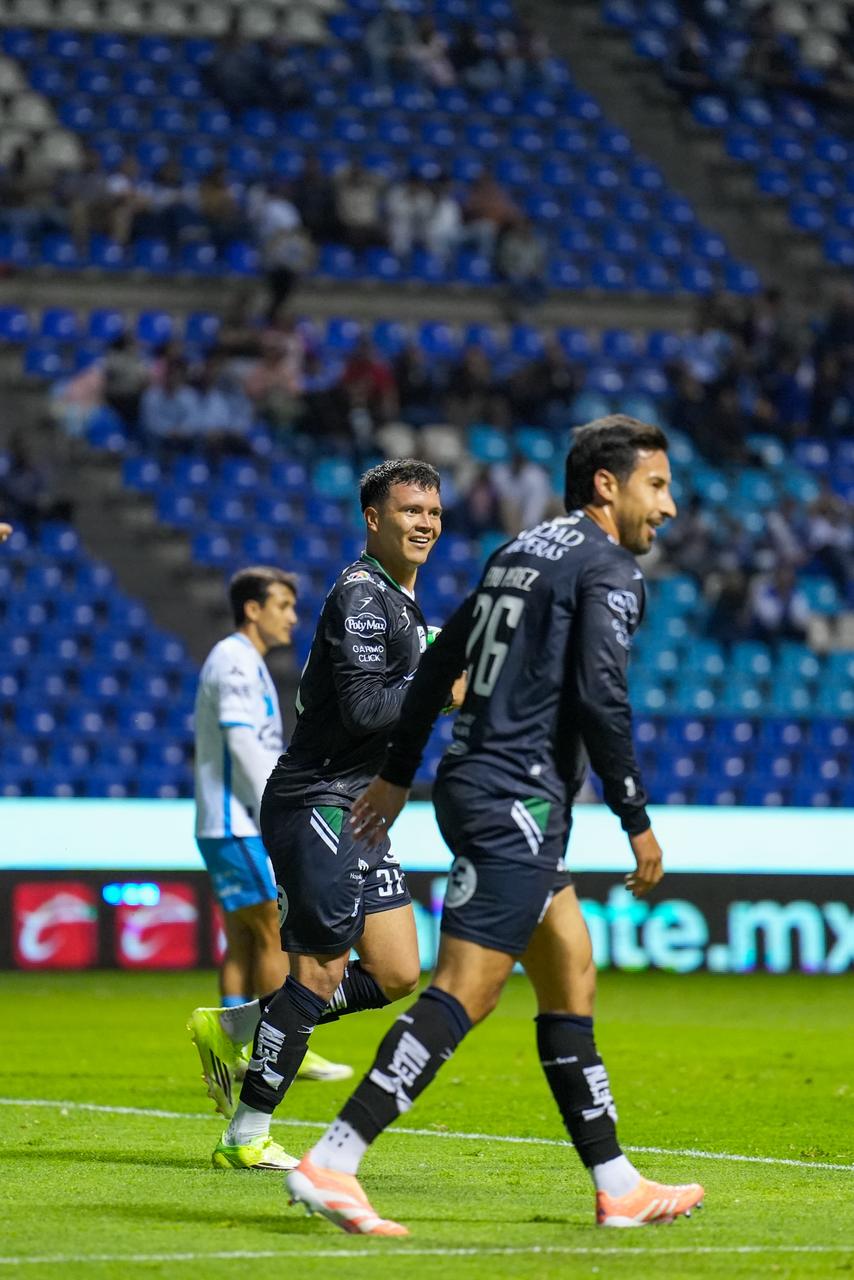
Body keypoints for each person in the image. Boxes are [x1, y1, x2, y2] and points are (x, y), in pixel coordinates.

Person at [284, 416, 705, 1235]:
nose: (672, 507)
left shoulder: (521, 551)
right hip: (517, 797)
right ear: (607, 485)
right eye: (657, 486)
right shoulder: (609, 570)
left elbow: (443, 662)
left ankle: (616, 1182)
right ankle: (334, 1160)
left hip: (485, 784)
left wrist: (402, 772)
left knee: (571, 970)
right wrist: (636, 818)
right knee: (465, 993)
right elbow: (599, 696)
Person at [207, 460, 465, 1174]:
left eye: (434, 512)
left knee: (396, 970)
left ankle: (244, 1026)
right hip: (317, 797)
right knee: (320, 974)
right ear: (374, 519)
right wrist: (444, 687)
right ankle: (246, 1132)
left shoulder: (403, 603)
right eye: (410, 509)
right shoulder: (359, 597)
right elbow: (365, 709)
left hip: (360, 806)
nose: (425, 523)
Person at [188, 567, 352, 1141]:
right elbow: (242, 746)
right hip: (242, 822)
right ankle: (280, 1045)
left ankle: (228, 1048)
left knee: (243, 936)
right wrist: (279, 814)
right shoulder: (235, 661)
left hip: (226, 822)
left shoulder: (242, 660)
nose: (290, 615)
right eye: (281, 604)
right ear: (253, 609)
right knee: (271, 934)